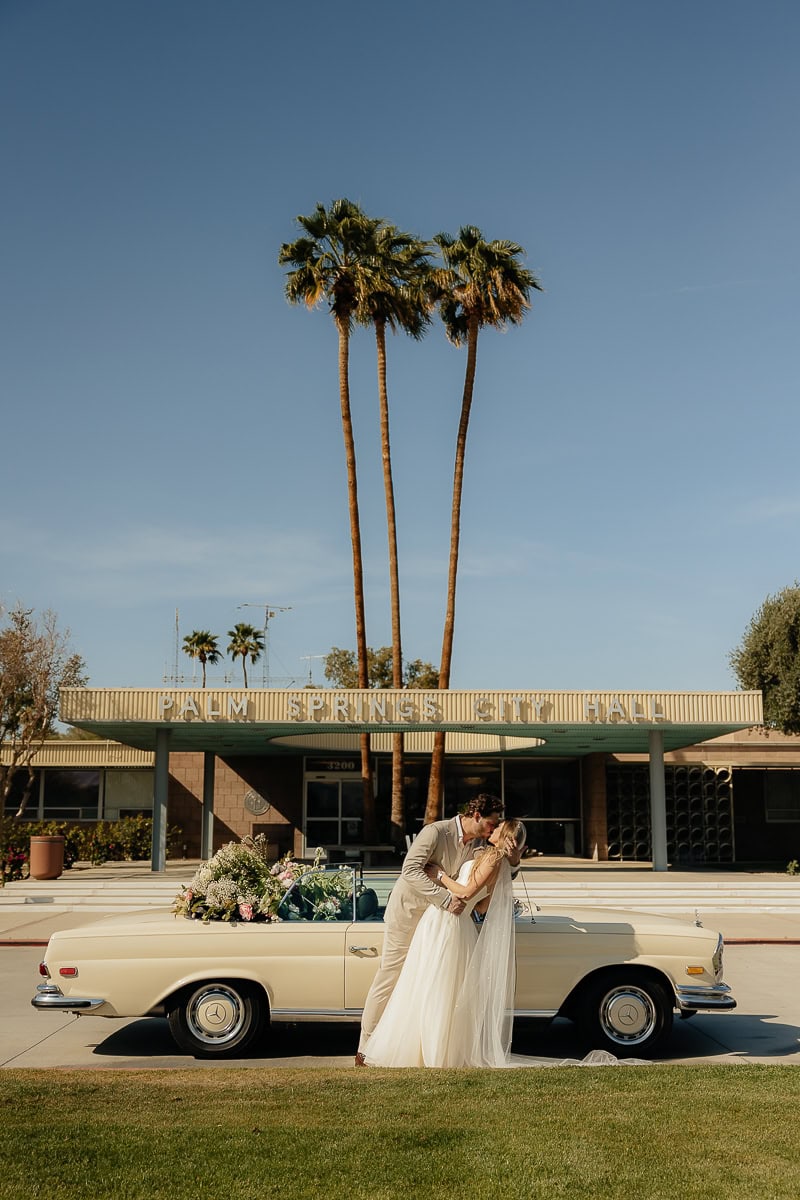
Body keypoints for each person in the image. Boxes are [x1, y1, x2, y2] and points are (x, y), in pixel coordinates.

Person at [355, 794, 513, 1065]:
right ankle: (366, 1047)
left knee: (424, 982)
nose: (493, 827)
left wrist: (513, 858)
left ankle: (419, 1046)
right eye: (491, 821)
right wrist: (444, 898)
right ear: (476, 815)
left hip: (440, 923)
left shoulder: (478, 846)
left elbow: (487, 878)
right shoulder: (436, 832)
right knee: (391, 976)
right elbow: (410, 870)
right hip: (409, 913)